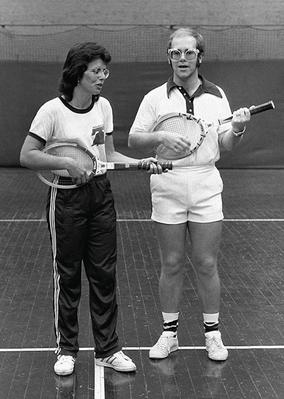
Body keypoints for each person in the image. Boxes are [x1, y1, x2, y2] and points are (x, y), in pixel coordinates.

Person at [20, 41, 163, 376]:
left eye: (105, 71)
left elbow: (108, 154)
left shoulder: (105, 107)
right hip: (66, 197)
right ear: (78, 72)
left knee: (104, 274)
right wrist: (65, 163)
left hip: (100, 196)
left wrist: (141, 162)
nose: (102, 77)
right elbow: (27, 155)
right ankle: (66, 349)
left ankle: (108, 349)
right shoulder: (51, 111)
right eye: (96, 71)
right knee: (67, 275)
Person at [128, 27, 251, 362]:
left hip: (206, 183)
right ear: (169, 56)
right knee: (171, 262)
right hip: (167, 183)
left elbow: (226, 143)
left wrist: (237, 128)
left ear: (200, 56)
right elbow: (134, 139)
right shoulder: (155, 98)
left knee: (206, 262)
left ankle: (213, 334)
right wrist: (160, 140)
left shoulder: (216, 95)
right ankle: (169, 335)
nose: (182, 59)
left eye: (189, 52)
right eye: (175, 53)